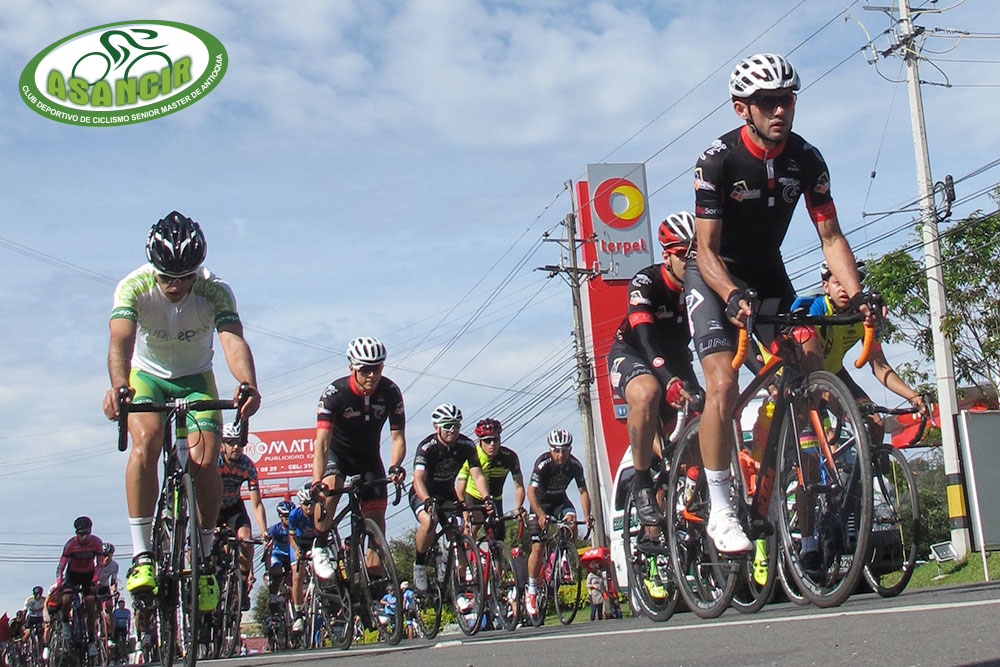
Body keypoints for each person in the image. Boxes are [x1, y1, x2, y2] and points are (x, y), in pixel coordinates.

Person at [684, 53, 873, 553]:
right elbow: (705, 250)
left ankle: (799, 481)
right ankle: (721, 508)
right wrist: (731, 295)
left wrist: (858, 296)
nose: (780, 110)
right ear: (741, 108)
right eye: (767, 102)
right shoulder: (717, 161)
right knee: (723, 384)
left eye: (787, 100)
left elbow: (830, 236)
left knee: (809, 355)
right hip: (714, 273)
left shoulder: (806, 159)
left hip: (767, 271)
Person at [102, 211, 261, 614]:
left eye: (184, 278)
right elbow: (120, 341)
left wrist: (247, 383)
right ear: (152, 268)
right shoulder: (133, 286)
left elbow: (232, 341)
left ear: (197, 271)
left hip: (195, 378)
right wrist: (118, 386)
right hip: (147, 376)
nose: (174, 287)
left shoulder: (215, 291)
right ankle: (142, 556)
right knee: (146, 442)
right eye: (166, 278)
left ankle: (204, 557)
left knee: (204, 461)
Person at [607, 211, 704, 527]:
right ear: (667, 257)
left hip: (676, 360)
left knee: (704, 421)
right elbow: (647, 341)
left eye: (696, 252)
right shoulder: (646, 283)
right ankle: (641, 483)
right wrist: (669, 380)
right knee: (649, 392)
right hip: (634, 353)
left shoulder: (702, 283)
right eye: (683, 253)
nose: (691, 260)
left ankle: (684, 511)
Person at [791, 260, 929, 444]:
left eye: (848, 283)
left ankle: (866, 462)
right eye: (837, 283)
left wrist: (913, 396)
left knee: (875, 423)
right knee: (815, 447)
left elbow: (880, 366)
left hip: (835, 372)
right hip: (805, 373)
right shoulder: (817, 308)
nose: (843, 289)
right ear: (826, 286)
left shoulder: (865, 317)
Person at [311, 336, 406, 582]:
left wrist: (395, 466)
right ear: (352, 367)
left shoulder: (390, 391)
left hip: (368, 458)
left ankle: (372, 590)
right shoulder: (335, 394)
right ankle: (320, 543)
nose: (372, 375)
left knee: (377, 525)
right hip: (337, 455)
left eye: (377, 368)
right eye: (365, 369)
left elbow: (398, 438)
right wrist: (316, 481)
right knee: (331, 486)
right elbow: (322, 444)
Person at [409, 404, 494, 593]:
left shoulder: (466, 445)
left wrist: (487, 498)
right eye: (448, 426)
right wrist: (426, 500)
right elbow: (418, 479)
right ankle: (420, 564)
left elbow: (477, 475)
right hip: (423, 492)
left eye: (456, 426)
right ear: (437, 426)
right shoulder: (427, 447)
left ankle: (453, 576)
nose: (453, 430)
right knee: (430, 521)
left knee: (459, 529)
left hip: (446, 493)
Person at [524, 429, 593, 617]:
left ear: (570, 450)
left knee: (571, 522)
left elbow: (583, 492)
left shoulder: (575, 465)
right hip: (539, 503)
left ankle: (562, 553)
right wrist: (540, 514)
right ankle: (531, 590)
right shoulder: (543, 464)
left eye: (564, 450)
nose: (560, 455)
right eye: (556, 450)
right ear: (550, 450)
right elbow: (530, 492)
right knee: (538, 548)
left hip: (559, 501)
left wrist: (587, 515)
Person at [218, 421, 268, 610]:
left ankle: (242, 585)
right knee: (212, 548)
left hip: (233, 507)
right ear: (222, 444)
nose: (235, 447)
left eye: (239, 442)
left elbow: (256, 503)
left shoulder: (247, 466)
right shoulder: (215, 462)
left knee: (246, 541)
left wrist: (264, 532)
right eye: (230, 442)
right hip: (213, 506)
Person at [455, 417, 525, 540]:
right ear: (479, 441)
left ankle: (495, 550)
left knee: (499, 537)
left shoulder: (510, 457)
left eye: (495, 439)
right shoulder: (472, 455)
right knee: (473, 527)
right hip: (473, 497)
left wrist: (518, 508)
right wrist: (464, 512)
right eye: (487, 440)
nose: (492, 444)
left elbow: (519, 486)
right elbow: (460, 488)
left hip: (495, 499)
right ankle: (466, 548)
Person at [55, 516, 103, 657]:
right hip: (73, 575)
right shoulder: (70, 545)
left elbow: (100, 564)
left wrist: (95, 580)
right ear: (76, 533)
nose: (84, 537)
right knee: (66, 599)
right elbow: (61, 566)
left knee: (90, 603)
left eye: (87, 533)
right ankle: (65, 622)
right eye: (81, 534)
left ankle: (92, 640)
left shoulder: (96, 543)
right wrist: (60, 583)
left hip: (88, 576)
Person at [288, 484, 318, 633]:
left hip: (314, 541)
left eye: (312, 503)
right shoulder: (294, 515)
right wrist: (297, 550)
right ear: (300, 504)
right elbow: (291, 537)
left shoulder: (319, 511)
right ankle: (298, 615)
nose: (309, 507)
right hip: (299, 542)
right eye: (306, 504)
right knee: (297, 575)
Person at [264, 500, 295, 614]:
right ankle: (273, 596)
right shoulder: (275, 529)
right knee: (276, 570)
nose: (289, 519)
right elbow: (267, 544)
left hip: (291, 555)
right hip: (278, 555)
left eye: (291, 516)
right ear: (280, 517)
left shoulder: (297, 527)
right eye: (286, 516)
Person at [94, 542, 119, 649]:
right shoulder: (94, 563)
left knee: (109, 607)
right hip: (93, 587)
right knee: (89, 607)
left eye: (109, 555)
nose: (106, 558)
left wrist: (114, 591)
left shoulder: (114, 566)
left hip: (104, 588)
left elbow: (113, 582)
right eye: (104, 555)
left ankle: (110, 636)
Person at [110, 599, 131, 663]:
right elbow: (114, 622)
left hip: (124, 627)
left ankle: (124, 655)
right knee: (117, 643)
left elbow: (128, 621)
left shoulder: (127, 611)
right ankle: (116, 656)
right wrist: (113, 631)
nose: (122, 606)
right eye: (120, 604)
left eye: (123, 604)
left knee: (124, 641)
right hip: (117, 628)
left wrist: (128, 629)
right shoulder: (116, 612)